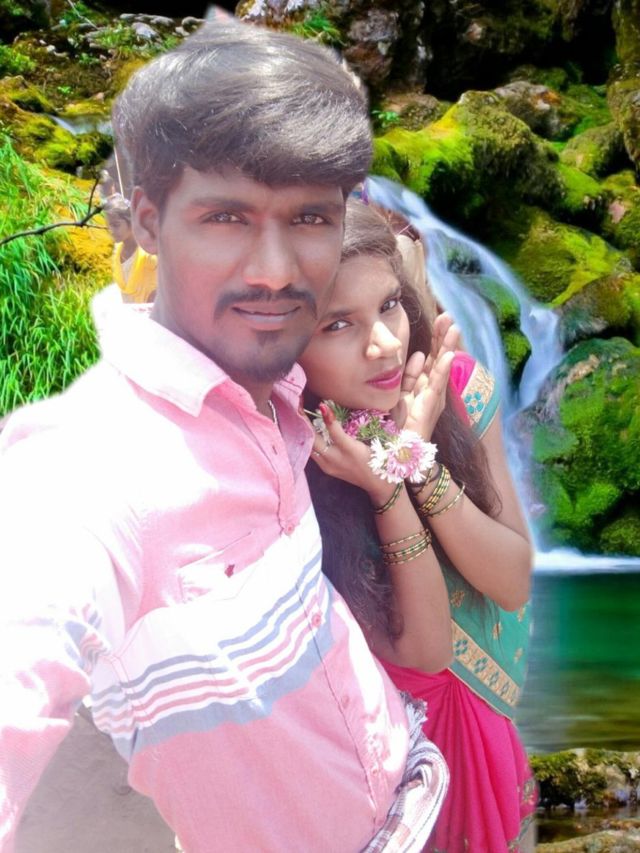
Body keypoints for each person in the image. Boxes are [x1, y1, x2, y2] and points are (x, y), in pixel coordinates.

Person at [0, 18, 450, 853]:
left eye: (310, 217)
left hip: (416, 786)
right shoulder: (88, 470)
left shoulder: (285, 388)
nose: (275, 269)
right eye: (226, 217)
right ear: (146, 220)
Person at [299, 199, 537, 852]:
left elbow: (511, 582)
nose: (383, 343)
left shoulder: (453, 386)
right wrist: (386, 490)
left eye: (389, 306)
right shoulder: (286, 456)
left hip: (475, 725)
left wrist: (414, 460)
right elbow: (424, 654)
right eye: (337, 324)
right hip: (373, 761)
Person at [104, 196, 157, 304]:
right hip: (127, 312)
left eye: (116, 225)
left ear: (131, 222)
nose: (111, 231)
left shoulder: (149, 254)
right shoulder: (115, 253)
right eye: (109, 226)